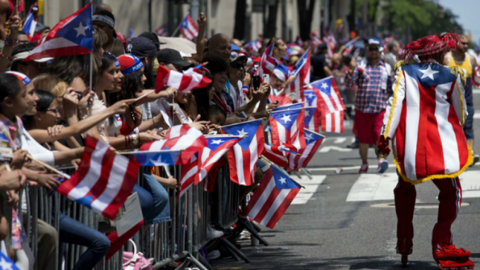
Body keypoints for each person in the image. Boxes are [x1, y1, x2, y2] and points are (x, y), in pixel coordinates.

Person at [377, 33, 474, 269]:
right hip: (442, 147)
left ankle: (403, 241)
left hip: (411, 146)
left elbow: (394, 108)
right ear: (440, 53)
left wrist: (385, 137)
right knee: (452, 192)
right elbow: (461, 113)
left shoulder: (404, 73)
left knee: (404, 190)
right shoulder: (451, 75)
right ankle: (441, 243)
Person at [345, 38, 393, 173]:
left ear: (380, 50)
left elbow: (391, 89)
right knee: (363, 139)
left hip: (380, 109)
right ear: (367, 50)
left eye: (376, 49)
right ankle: (364, 163)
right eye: (371, 49)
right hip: (362, 109)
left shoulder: (387, 68)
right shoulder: (361, 66)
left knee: (380, 135)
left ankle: (381, 161)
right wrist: (350, 70)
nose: (373, 52)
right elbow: (349, 84)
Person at [444, 35, 479, 166]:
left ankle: (470, 155)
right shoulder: (446, 59)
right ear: (454, 44)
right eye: (463, 44)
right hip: (449, 103)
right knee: (450, 129)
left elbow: (476, 78)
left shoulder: (472, 60)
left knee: (468, 129)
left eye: (467, 44)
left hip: (467, 102)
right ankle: (452, 155)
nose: (466, 46)